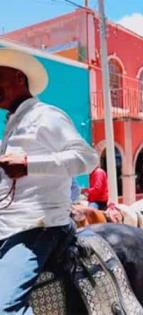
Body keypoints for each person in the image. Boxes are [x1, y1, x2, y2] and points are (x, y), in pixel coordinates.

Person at [0, 48, 98, 314]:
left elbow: (87, 158)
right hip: (7, 226)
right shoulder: (11, 126)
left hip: (36, 228)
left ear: (19, 78)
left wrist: (30, 164)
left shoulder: (46, 116)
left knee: (3, 308)